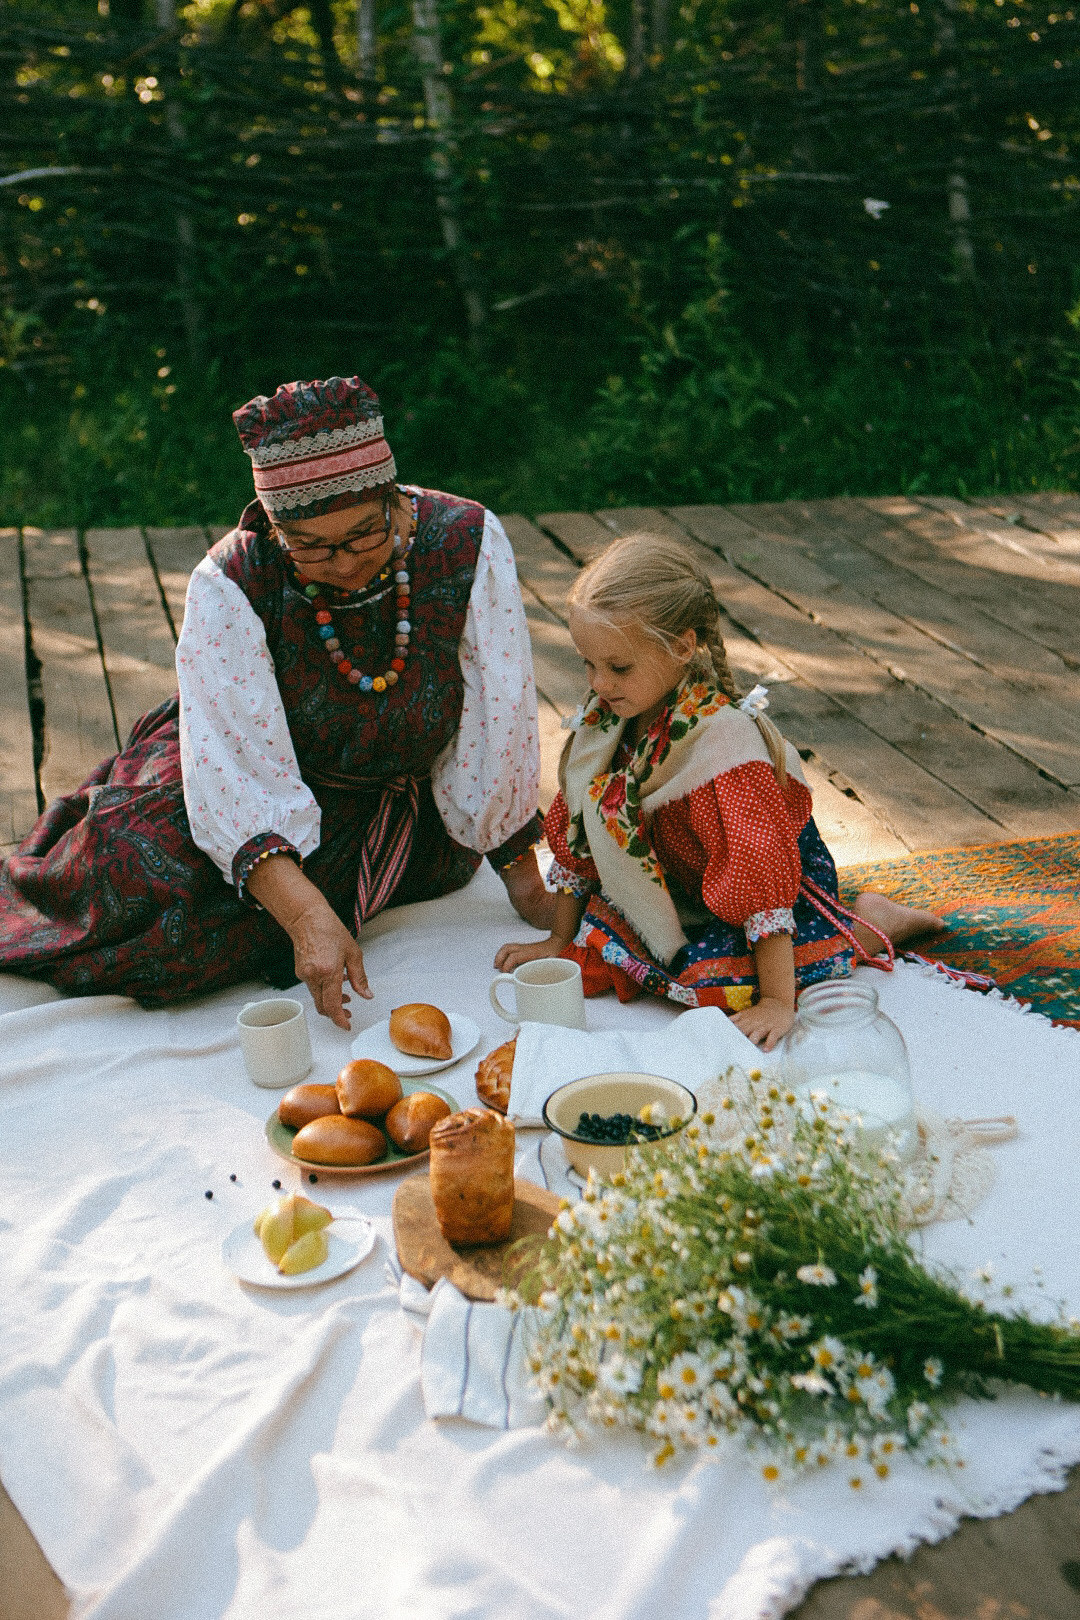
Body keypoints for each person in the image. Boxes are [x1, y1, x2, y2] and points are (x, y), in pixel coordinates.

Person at [0, 375, 554, 1027]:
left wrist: (528, 888)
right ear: (272, 525)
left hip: (403, 811)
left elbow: (497, 721)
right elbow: (235, 769)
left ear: (395, 502)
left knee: (237, 934)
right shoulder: (232, 579)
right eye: (311, 548)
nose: (344, 563)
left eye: (361, 536)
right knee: (143, 899)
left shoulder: (466, 540)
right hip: (252, 780)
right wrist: (306, 915)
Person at [495, 533, 943, 1050]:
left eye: (618, 667)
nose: (599, 684)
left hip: (765, 889)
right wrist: (558, 939)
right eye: (588, 664)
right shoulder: (611, 721)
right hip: (679, 881)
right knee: (598, 948)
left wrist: (778, 1001)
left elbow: (758, 865)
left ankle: (866, 924)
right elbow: (580, 827)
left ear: (683, 646)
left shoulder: (724, 748)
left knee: (713, 983)